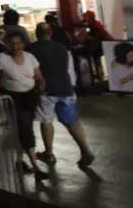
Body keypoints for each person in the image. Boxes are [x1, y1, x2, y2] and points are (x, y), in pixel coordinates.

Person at [29, 22, 95, 167]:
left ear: (36, 33)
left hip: (46, 91)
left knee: (46, 121)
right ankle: (85, 150)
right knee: (72, 122)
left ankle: (49, 153)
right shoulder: (62, 47)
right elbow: (69, 69)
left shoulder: (31, 48)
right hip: (66, 89)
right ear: (50, 33)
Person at [0, 31, 48, 181]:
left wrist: (41, 86)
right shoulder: (1, 59)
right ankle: (36, 167)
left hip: (30, 97)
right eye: (12, 43)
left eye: (18, 43)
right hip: (12, 98)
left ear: (23, 44)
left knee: (23, 128)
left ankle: (19, 161)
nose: (15, 46)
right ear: (7, 44)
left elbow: (39, 76)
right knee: (25, 129)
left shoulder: (30, 58)